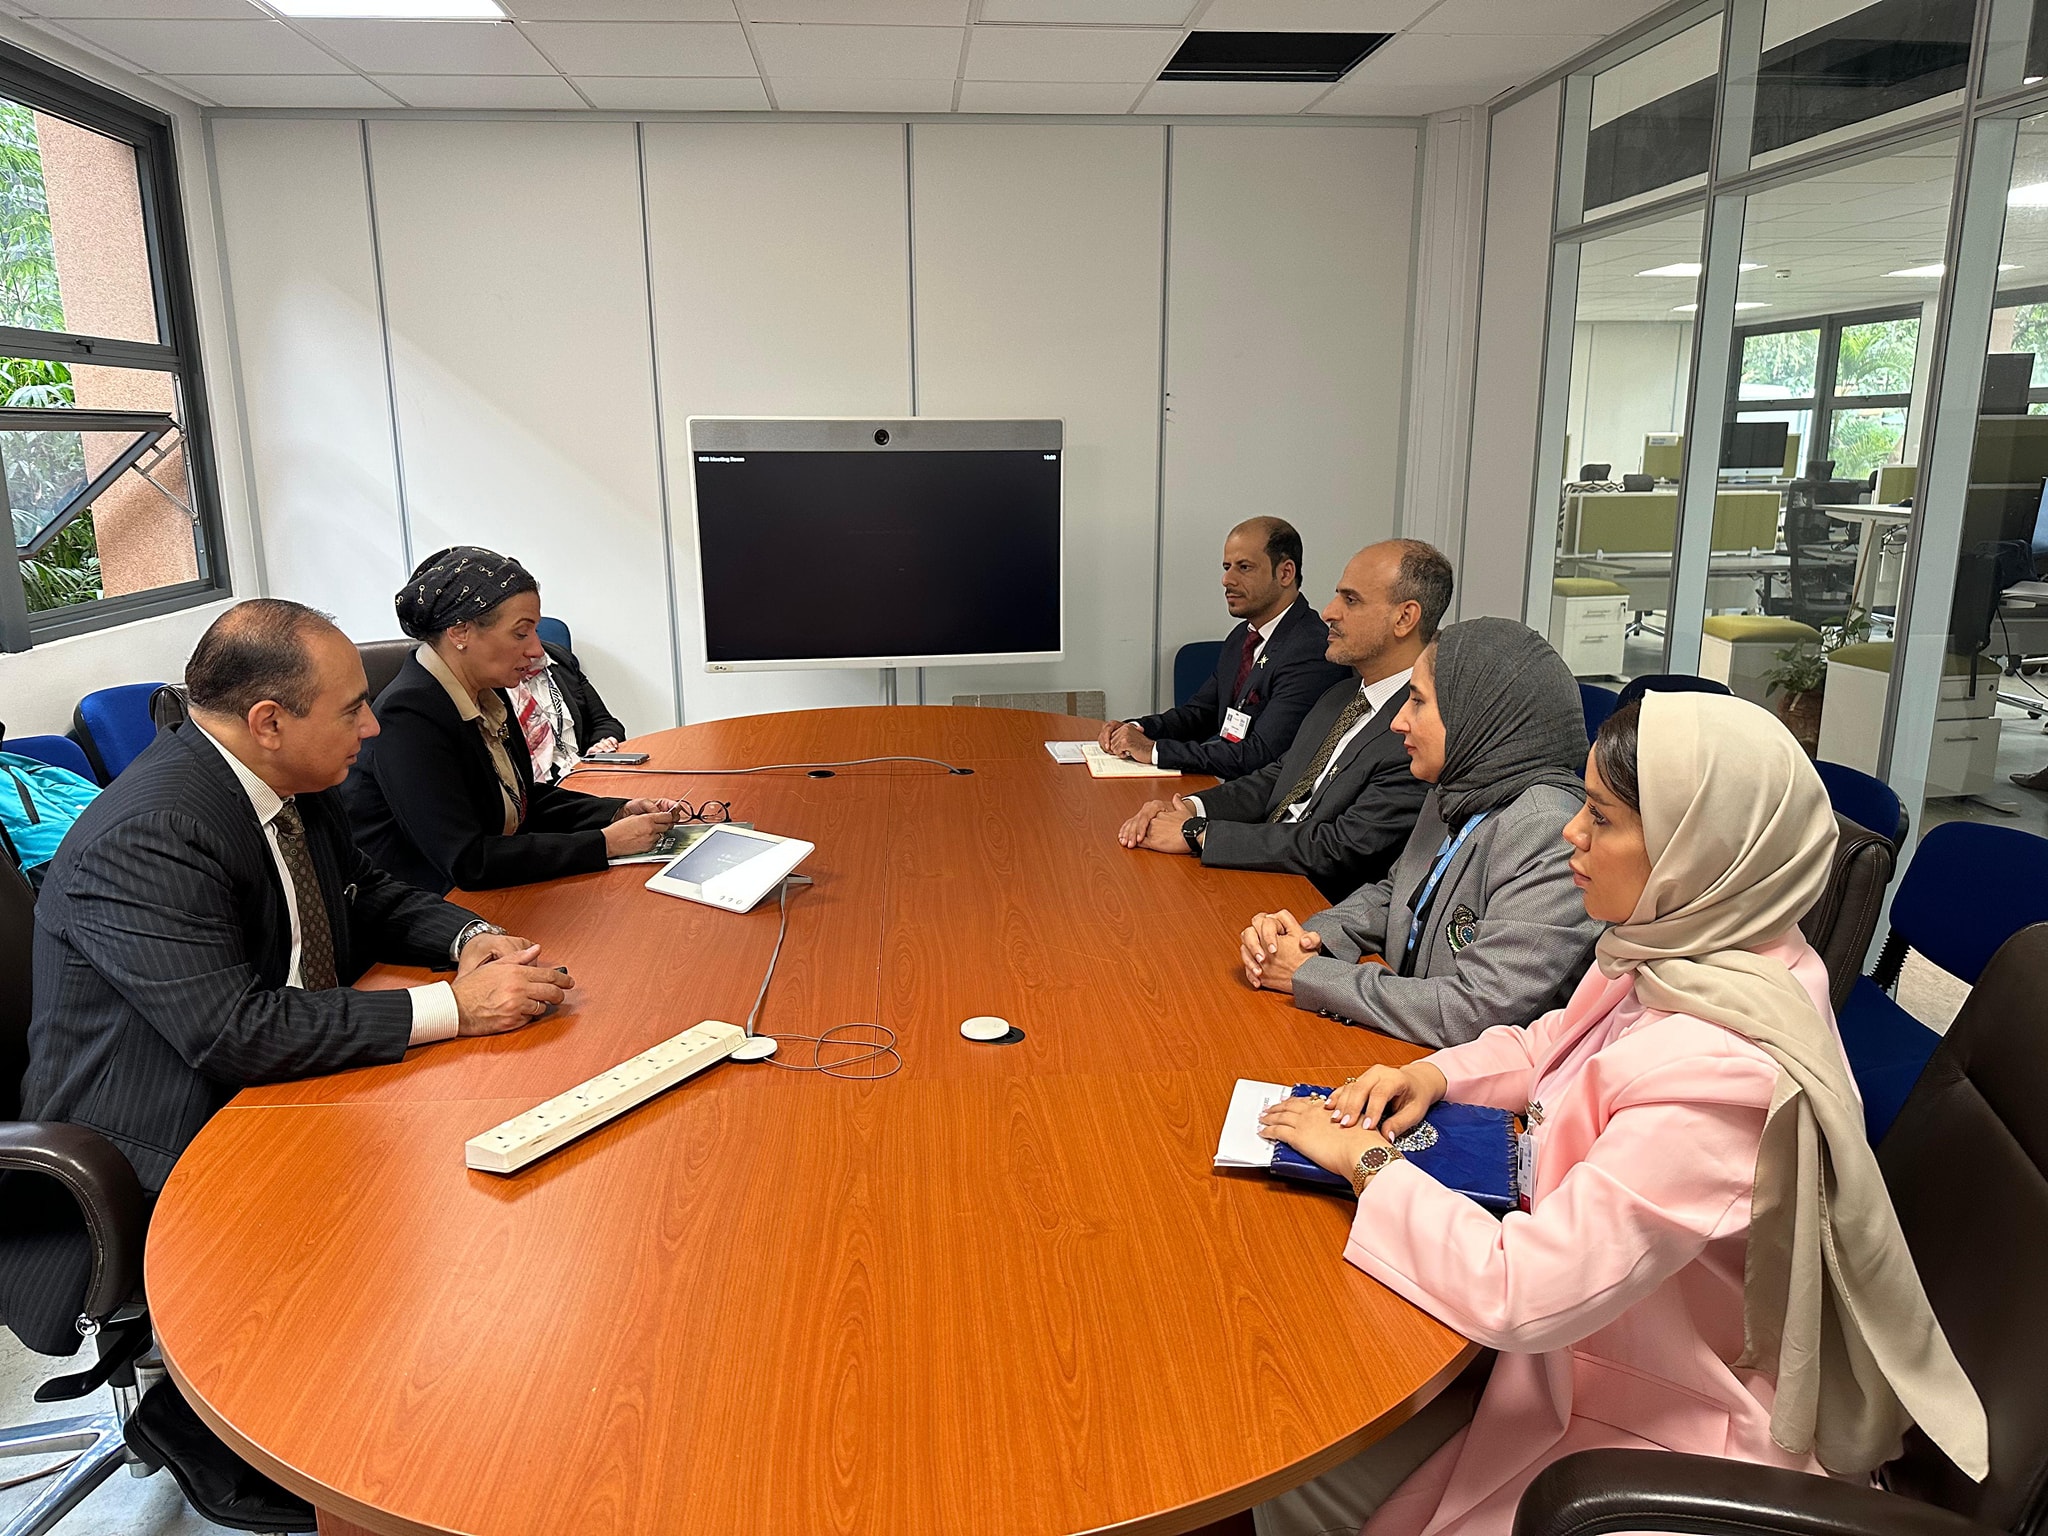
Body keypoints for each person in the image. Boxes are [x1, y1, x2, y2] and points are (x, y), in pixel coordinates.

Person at [1252, 693, 1986, 1536]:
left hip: (1657, 1421)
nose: (1571, 832)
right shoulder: (1690, 944)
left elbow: (1523, 1291)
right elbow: (1551, 1043)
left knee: (1294, 1444)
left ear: (1693, 846)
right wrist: (1431, 1074)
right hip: (1587, 1334)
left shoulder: (1724, 1070)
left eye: (1600, 817)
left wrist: (1367, 1163)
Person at [21, 599, 574, 1201]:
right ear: (269, 723)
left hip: (290, 1087)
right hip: (163, 1154)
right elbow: (233, 1032)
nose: (371, 726)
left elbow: (364, 891)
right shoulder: (151, 835)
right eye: (352, 709)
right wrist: (455, 1007)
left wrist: (469, 938)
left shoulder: (292, 776)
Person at [1238, 617, 1600, 1049]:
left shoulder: (1551, 832)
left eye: (1417, 701)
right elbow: (1398, 893)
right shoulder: (1458, 787)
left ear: (1476, 713)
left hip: (1471, 1077)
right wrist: (1308, 940)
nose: (1397, 722)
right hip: (1408, 1048)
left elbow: (1475, 1011)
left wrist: (1309, 974)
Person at [1116, 540, 1450, 901]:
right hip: (1263, 872)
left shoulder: (1421, 728)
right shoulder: (1341, 695)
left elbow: (1343, 847)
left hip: (1310, 902)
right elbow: (1278, 777)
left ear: (1404, 618)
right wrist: (1188, 808)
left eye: (1351, 600)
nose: (1329, 612)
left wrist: (1199, 833)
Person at [342, 547, 679, 894]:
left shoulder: (488, 691)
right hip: (432, 904)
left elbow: (522, 801)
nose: (537, 650)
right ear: (460, 631)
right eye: (521, 633)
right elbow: (468, 861)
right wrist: (604, 843)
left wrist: (616, 812)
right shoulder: (407, 716)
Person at [1098, 518, 1347, 777]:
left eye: (1244, 567)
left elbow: (1261, 754)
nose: (1227, 580)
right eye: (1227, 567)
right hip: (1229, 782)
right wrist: (1136, 729)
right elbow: (1199, 714)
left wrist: (1154, 751)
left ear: (1285, 573)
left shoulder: (1311, 649)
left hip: (1266, 794)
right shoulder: (1242, 636)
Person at [510, 637, 629, 786]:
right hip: (538, 789)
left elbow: (604, 722)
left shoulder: (557, 658)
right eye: (521, 634)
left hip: (585, 773)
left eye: (535, 631)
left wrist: (601, 746)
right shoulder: (492, 687)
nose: (538, 651)